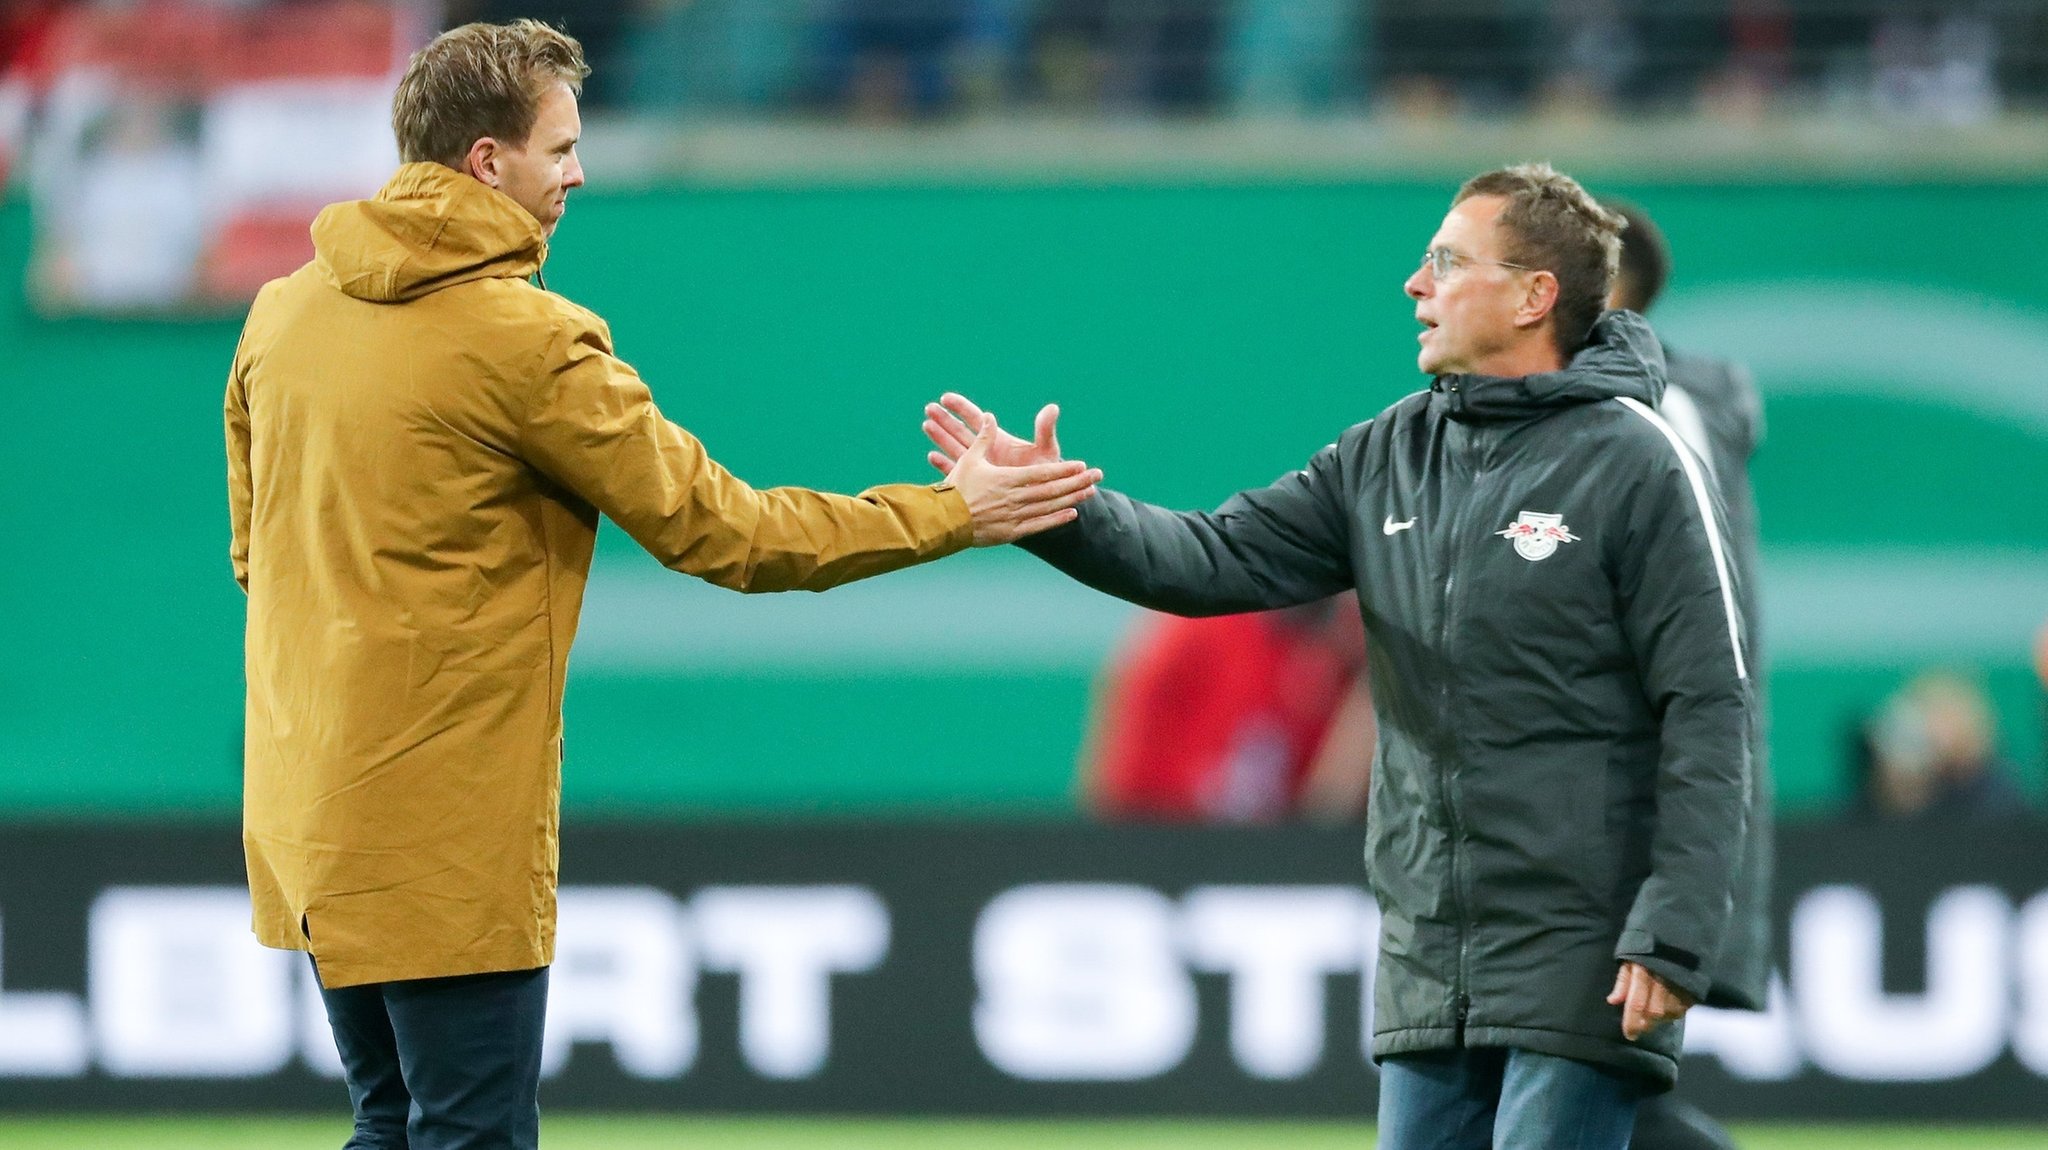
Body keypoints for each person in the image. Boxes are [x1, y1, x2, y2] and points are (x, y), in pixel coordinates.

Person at [223, 20, 1098, 1150]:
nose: (578, 172)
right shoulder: (524, 344)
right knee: (469, 1133)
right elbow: (728, 534)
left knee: (392, 1121)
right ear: (487, 162)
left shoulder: (280, 315)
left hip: (313, 823)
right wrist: (952, 511)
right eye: (559, 148)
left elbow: (257, 554)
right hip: (443, 840)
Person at [924, 162, 1752, 1149]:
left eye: (1446, 261)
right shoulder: (1382, 454)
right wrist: (1056, 506)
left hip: (1580, 943)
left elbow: (1705, 706)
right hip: (1426, 950)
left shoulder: (1636, 459)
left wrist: (1673, 927)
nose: (1414, 283)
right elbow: (1210, 555)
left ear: (1534, 296)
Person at [1605, 200, 1771, 1150]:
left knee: (1607, 1096)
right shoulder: (1690, 406)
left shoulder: (1634, 413)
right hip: (1658, 794)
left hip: (1625, 804)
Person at [1081, 594, 1372, 823]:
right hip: (1175, 845)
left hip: (1280, 870)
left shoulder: (1350, 659)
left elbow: (1327, 814)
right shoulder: (1198, 633)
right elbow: (1121, 794)